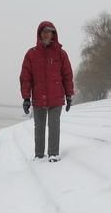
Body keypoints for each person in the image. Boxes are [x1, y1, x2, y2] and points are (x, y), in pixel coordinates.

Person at [19, 21, 74, 162]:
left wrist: (69, 95)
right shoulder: (31, 54)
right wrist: (26, 98)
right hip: (38, 97)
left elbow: (67, 76)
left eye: (49, 32)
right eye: (43, 31)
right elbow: (26, 78)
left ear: (53, 34)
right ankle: (38, 155)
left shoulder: (61, 54)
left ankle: (53, 154)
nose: (46, 34)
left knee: (54, 125)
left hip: (56, 97)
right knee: (39, 127)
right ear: (39, 34)